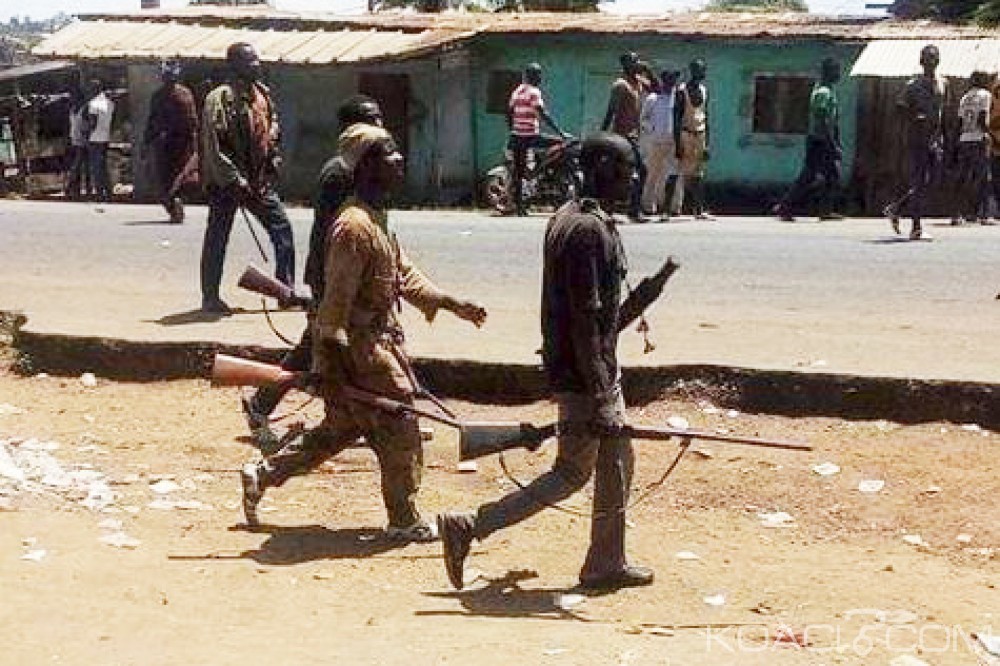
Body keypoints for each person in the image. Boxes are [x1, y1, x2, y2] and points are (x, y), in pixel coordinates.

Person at [438, 132, 663, 592]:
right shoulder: (587, 231)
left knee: (615, 460)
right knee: (572, 472)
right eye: (624, 171)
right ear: (600, 169)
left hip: (585, 368)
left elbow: (594, 319)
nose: (632, 180)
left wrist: (641, 300)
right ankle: (470, 525)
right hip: (586, 375)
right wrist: (600, 395)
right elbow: (584, 321)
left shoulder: (571, 218)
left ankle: (606, 561)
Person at [240, 124, 488, 542]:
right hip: (359, 348)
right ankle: (403, 519)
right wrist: (331, 364)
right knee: (401, 424)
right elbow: (336, 302)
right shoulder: (353, 227)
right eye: (389, 153)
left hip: (371, 343)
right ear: (367, 165)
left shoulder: (375, 219)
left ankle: (262, 473)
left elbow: (403, 274)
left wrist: (450, 303)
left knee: (341, 429)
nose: (399, 160)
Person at [242, 95, 385, 450]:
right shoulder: (340, 173)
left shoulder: (357, 169)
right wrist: (328, 284)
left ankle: (352, 420)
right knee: (318, 351)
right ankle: (261, 404)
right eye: (371, 120)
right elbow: (331, 234)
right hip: (333, 275)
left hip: (345, 275)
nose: (379, 127)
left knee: (331, 350)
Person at [200, 42, 296, 314]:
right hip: (227, 183)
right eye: (249, 61)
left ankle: (284, 291)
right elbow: (214, 145)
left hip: (258, 180)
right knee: (217, 238)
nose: (256, 65)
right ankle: (210, 297)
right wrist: (234, 179)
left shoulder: (262, 95)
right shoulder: (219, 99)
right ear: (233, 66)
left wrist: (273, 158)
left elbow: (272, 129)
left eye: (256, 60)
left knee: (282, 229)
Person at [883, 45, 946, 240]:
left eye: (934, 58)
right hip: (917, 137)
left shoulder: (943, 83)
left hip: (935, 138)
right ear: (921, 61)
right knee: (919, 180)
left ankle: (897, 207)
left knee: (932, 180)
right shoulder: (912, 85)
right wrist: (914, 117)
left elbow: (943, 111)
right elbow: (900, 108)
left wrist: (942, 135)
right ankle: (916, 227)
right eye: (927, 58)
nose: (931, 62)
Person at [773, 58, 843, 223]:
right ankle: (785, 206)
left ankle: (824, 210)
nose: (838, 75)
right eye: (836, 71)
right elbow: (822, 120)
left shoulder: (828, 91)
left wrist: (835, 140)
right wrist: (832, 143)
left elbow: (832, 121)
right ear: (828, 72)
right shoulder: (823, 93)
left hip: (823, 139)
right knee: (810, 176)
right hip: (819, 140)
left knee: (830, 175)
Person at [507, 63, 568, 217]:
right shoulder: (534, 92)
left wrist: (513, 129)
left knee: (519, 172)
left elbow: (509, 111)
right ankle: (543, 170)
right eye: (538, 74)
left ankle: (520, 207)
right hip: (530, 136)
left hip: (517, 137)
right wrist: (560, 132)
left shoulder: (517, 91)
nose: (540, 78)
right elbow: (543, 113)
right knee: (562, 143)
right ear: (532, 76)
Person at [144, 60, 198, 224]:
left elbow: (153, 121)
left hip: (167, 143)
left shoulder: (159, 96)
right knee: (179, 175)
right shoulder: (185, 94)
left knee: (164, 178)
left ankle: (173, 202)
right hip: (182, 143)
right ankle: (175, 202)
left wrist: (147, 140)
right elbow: (193, 121)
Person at [602, 52, 652, 222]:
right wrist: (603, 135)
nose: (637, 63)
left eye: (638, 61)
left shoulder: (638, 82)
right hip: (621, 136)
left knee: (635, 172)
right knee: (623, 172)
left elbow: (657, 89)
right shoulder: (620, 85)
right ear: (625, 65)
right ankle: (612, 210)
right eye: (634, 61)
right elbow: (611, 111)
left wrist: (648, 70)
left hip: (634, 135)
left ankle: (632, 210)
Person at [672, 59, 711, 219]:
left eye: (703, 70)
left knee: (698, 174)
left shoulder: (704, 91)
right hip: (685, 133)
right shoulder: (682, 91)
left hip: (700, 134)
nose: (702, 73)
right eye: (699, 70)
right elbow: (676, 118)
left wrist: (707, 144)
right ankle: (669, 209)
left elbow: (706, 116)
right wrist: (677, 143)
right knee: (677, 171)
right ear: (692, 71)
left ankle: (698, 209)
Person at [639, 68, 680, 221]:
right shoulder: (653, 99)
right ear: (663, 80)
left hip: (674, 141)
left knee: (674, 175)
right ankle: (648, 205)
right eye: (669, 79)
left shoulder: (678, 98)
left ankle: (674, 206)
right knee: (652, 173)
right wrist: (652, 129)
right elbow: (643, 119)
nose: (671, 82)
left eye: (674, 79)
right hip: (656, 141)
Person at [954, 71, 992, 225]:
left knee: (963, 177)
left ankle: (958, 213)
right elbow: (982, 117)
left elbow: (959, 121)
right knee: (983, 177)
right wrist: (988, 134)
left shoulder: (965, 98)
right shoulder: (985, 95)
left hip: (964, 139)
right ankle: (983, 214)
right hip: (978, 138)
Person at [84, 79, 115, 202]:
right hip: (105, 137)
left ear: (95, 89)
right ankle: (108, 192)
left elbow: (93, 123)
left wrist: (87, 135)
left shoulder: (94, 103)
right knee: (103, 167)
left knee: (96, 168)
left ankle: (99, 194)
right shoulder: (110, 103)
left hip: (95, 139)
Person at [65, 86, 91, 200]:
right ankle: (76, 189)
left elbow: (89, 125)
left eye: (74, 97)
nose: (72, 99)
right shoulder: (72, 109)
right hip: (75, 141)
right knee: (78, 166)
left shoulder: (85, 109)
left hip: (84, 141)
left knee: (80, 166)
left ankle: (75, 188)